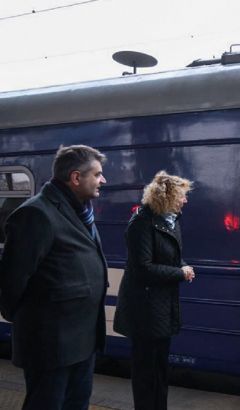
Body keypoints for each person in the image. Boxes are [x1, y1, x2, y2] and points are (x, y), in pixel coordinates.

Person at [0, 145, 108, 410]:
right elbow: (11, 281)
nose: (103, 180)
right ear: (76, 177)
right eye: (97, 174)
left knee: (76, 404)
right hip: (51, 345)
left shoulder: (81, 211)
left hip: (82, 341)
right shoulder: (36, 213)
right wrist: (33, 323)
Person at [114, 171, 195, 410]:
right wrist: (180, 273)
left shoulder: (171, 221)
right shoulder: (141, 223)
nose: (185, 200)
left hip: (162, 307)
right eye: (181, 195)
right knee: (146, 374)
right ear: (166, 197)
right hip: (145, 310)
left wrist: (183, 266)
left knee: (159, 371)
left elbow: (171, 257)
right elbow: (143, 268)